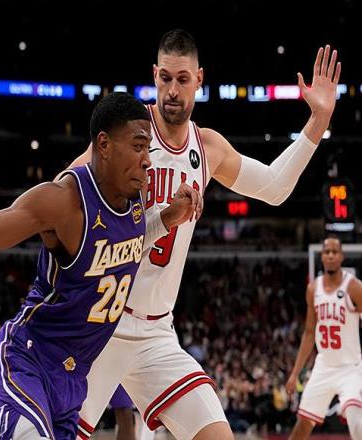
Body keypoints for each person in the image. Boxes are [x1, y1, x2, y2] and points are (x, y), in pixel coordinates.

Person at [68, 30, 341, 440]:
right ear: (154, 75)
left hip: (157, 333)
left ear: (199, 79)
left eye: (182, 79)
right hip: (101, 322)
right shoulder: (127, 134)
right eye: (165, 78)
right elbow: (64, 190)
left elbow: (274, 187)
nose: (172, 90)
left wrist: (318, 120)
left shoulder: (207, 147)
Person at [0, 92, 200, 439]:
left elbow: (131, 242)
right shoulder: (64, 200)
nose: (147, 161)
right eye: (138, 147)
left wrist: (168, 217)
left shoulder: (135, 201)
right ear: (104, 145)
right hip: (28, 362)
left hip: (72, 383)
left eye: (148, 150)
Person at [285, 236, 362, 439]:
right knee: (303, 424)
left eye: (334, 252)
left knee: (357, 423)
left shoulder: (353, 286)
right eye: (327, 251)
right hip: (324, 367)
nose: (330, 255)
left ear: (341, 256)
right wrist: (295, 374)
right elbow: (309, 332)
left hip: (351, 368)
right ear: (322, 256)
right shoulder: (313, 289)